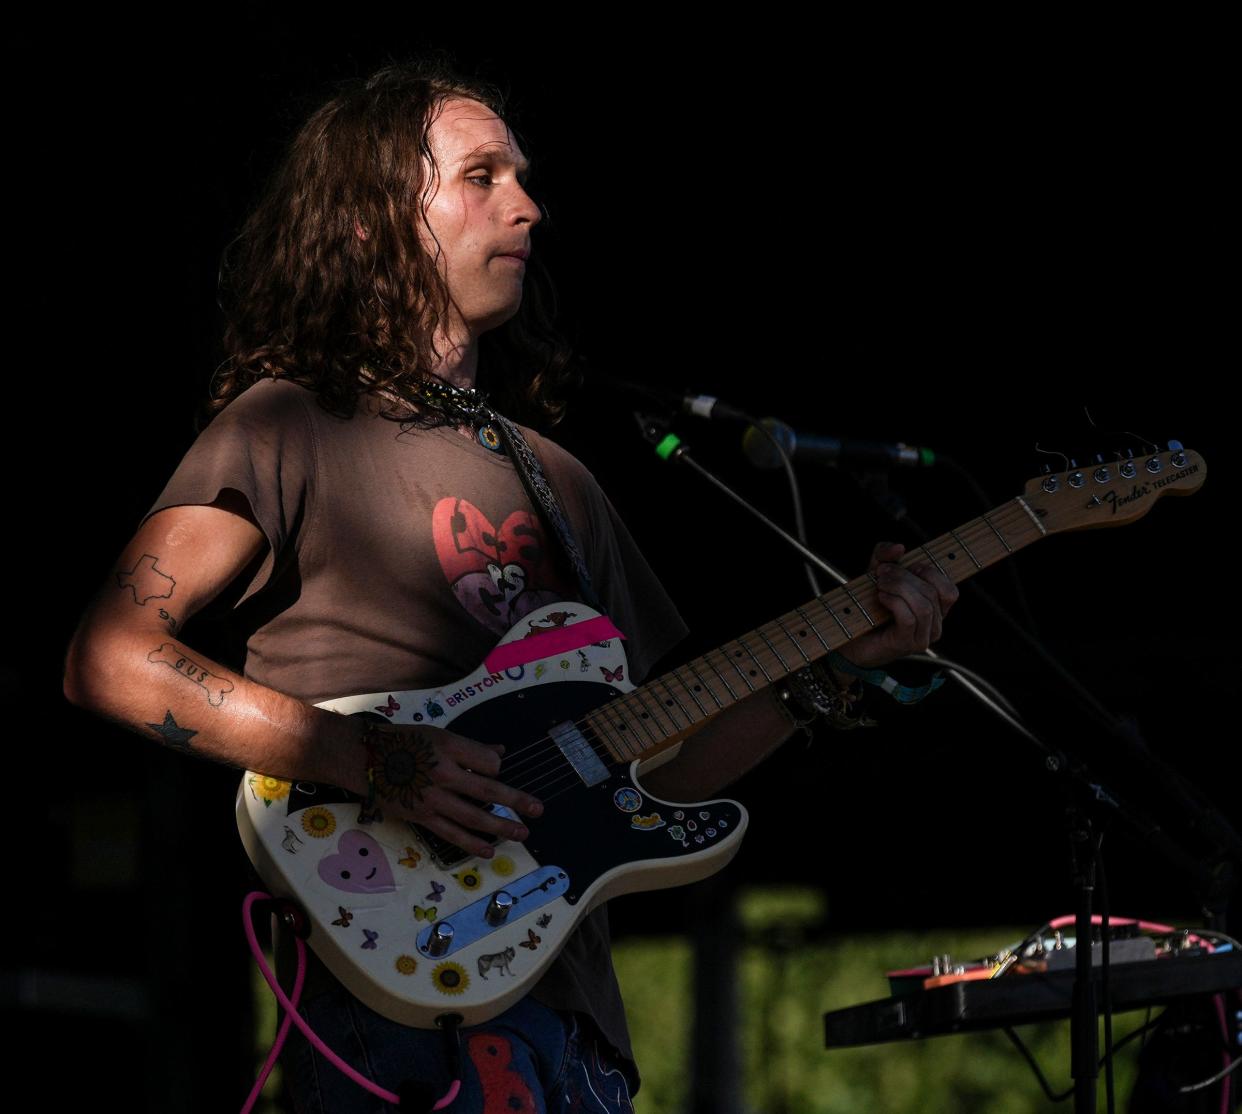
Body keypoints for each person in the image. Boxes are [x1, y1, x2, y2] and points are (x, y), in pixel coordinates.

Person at [63, 61, 957, 1112]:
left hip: (571, 1028)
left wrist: (829, 669)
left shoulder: (558, 479)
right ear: (366, 221)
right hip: (392, 1013)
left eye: (522, 178)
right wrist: (371, 756)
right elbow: (112, 659)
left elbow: (654, 777)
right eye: (480, 176)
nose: (526, 205)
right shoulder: (285, 425)